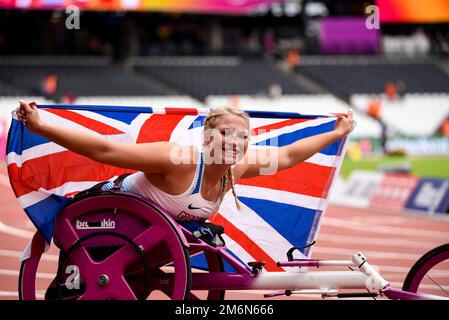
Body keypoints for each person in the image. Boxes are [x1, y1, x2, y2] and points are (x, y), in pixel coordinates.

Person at [16, 101, 354, 231]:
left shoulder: (236, 169)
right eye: (226, 134)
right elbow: (105, 151)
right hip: (99, 219)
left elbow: (287, 156)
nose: (235, 141)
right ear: (207, 138)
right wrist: (40, 125)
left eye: (242, 136)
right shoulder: (179, 159)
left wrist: (337, 132)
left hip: (150, 239)